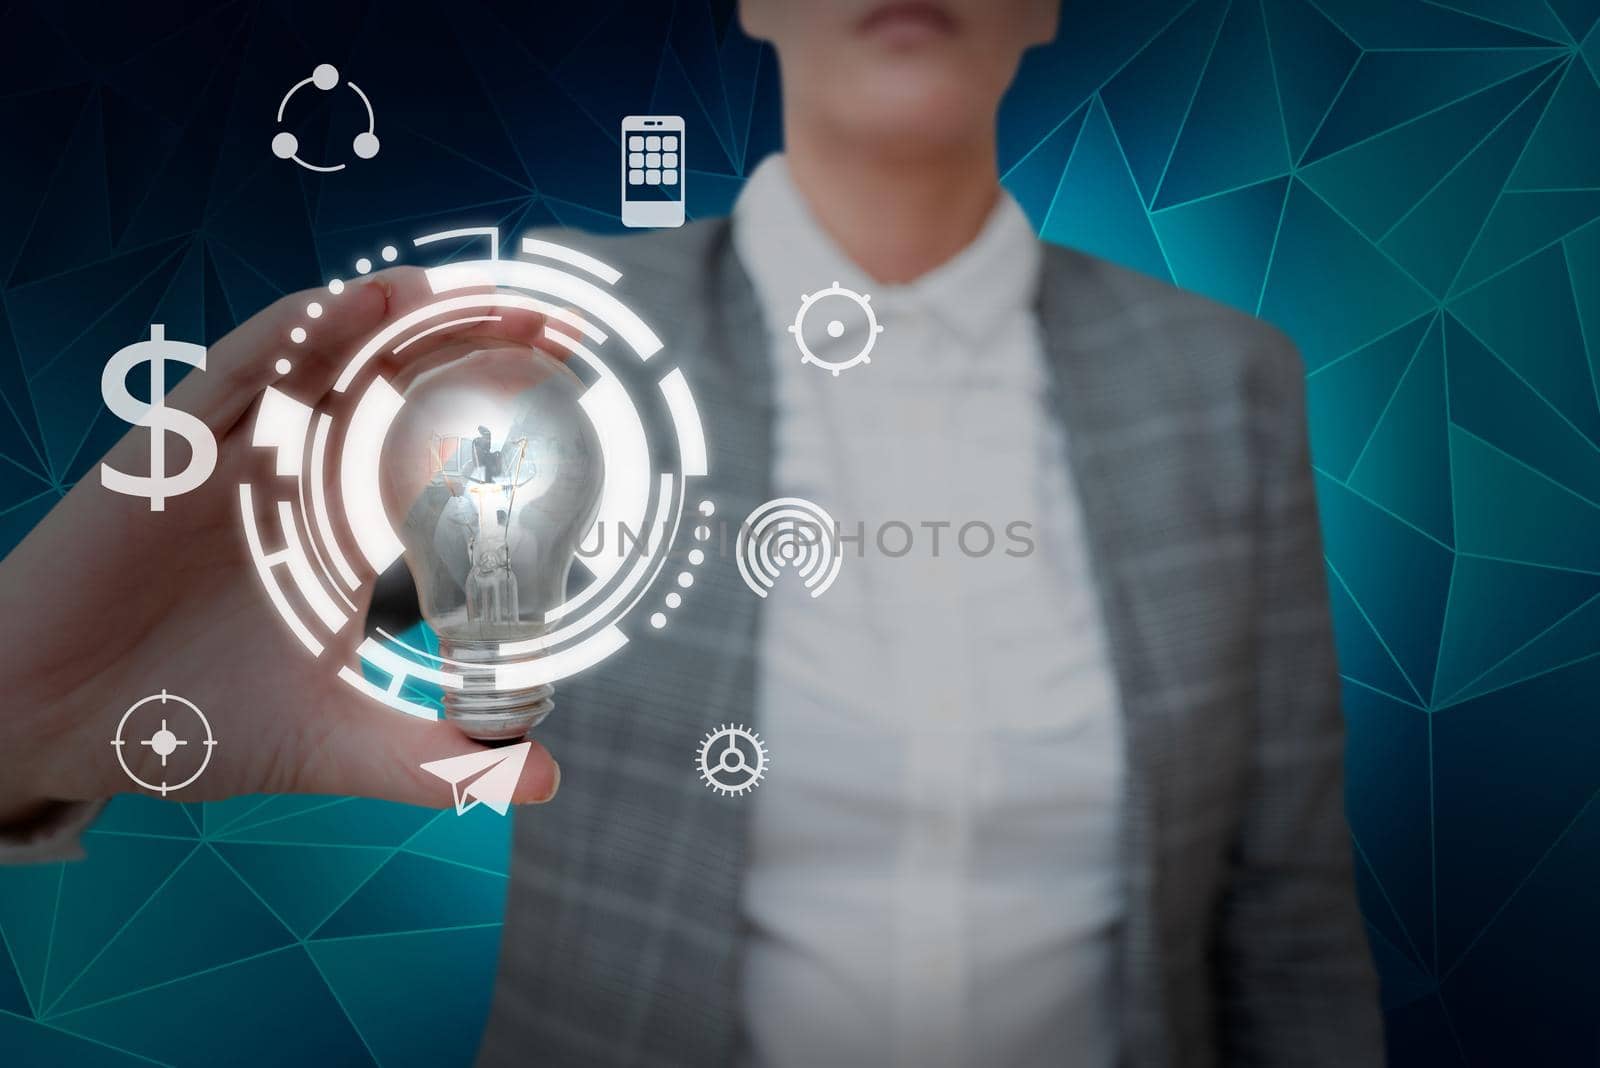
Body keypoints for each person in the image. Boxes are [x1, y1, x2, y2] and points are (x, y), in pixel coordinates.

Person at [0, 1, 1384, 1065]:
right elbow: (345, 589)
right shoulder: (554, 341)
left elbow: (1286, 899)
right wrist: (27, 702)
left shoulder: (1223, 380)